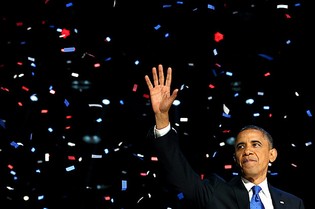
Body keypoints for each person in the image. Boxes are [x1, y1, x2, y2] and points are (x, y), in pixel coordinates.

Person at [144, 64, 305, 209]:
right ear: (235, 157)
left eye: (255, 144)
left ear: (272, 154)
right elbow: (178, 170)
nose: (247, 151)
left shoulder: (293, 203)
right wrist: (162, 117)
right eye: (240, 146)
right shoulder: (216, 192)